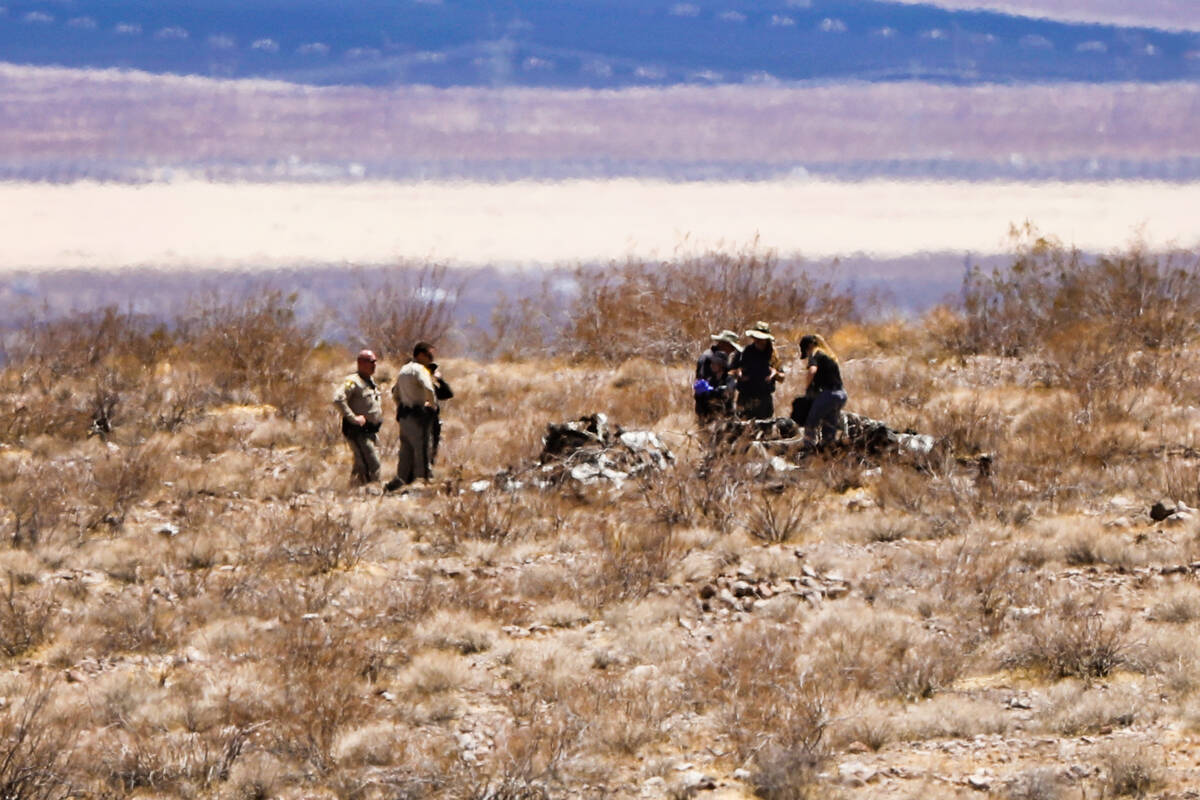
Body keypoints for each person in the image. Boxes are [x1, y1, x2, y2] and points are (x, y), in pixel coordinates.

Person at [385, 341, 439, 490]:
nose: (431, 359)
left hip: (404, 416)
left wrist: (401, 406)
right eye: (429, 356)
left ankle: (401, 480)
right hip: (418, 416)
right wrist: (432, 405)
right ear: (420, 355)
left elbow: (395, 393)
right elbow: (428, 388)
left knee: (406, 451)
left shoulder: (403, 370)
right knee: (422, 450)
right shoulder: (420, 370)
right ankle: (422, 482)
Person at [332, 349, 383, 485]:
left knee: (361, 463)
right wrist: (353, 418)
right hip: (358, 431)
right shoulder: (352, 381)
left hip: (370, 430)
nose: (374, 365)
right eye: (371, 362)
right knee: (372, 462)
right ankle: (373, 490)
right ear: (361, 363)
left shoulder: (370, 381)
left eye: (375, 362)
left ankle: (354, 490)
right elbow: (338, 399)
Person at [798, 333, 847, 447]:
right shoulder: (828, 356)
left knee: (810, 424)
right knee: (829, 426)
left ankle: (808, 452)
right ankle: (827, 454)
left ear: (809, 346)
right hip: (841, 394)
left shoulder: (815, 355)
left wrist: (807, 387)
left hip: (828, 394)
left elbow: (812, 371)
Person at [736, 321, 785, 419]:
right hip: (745, 397)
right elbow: (736, 369)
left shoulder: (773, 354)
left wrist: (774, 374)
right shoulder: (747, 351)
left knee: (764, 429)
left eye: (761, 338)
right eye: (756, 338)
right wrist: (740, 374)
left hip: (764, 399)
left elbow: (782, 378)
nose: (757, 340)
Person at [693, 349, 737, 423]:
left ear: (722, 365)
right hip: (709, 416)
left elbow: (727, 394)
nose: (712, 365)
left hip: (724, 417)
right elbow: (701, 399)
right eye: (712, 363)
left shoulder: (729, 379)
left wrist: (712, 390)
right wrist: (699, 393)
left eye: (715, 363)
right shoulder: (710, 379)